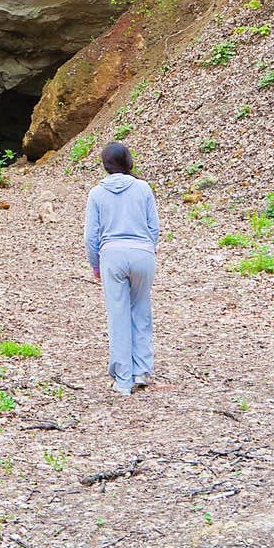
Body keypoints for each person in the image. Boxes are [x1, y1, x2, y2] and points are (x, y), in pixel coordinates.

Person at [84, 141, 160, 395]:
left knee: (118, 316)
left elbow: (91, 236)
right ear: (129, 162)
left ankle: (123, 380)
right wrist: (147, 249)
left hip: (112, 254)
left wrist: (95, 265)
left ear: (105, 166)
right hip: (142, 253)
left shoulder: (96, 193)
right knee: (141, 311)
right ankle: (142, 371)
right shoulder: (143, 188)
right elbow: (154, 228)